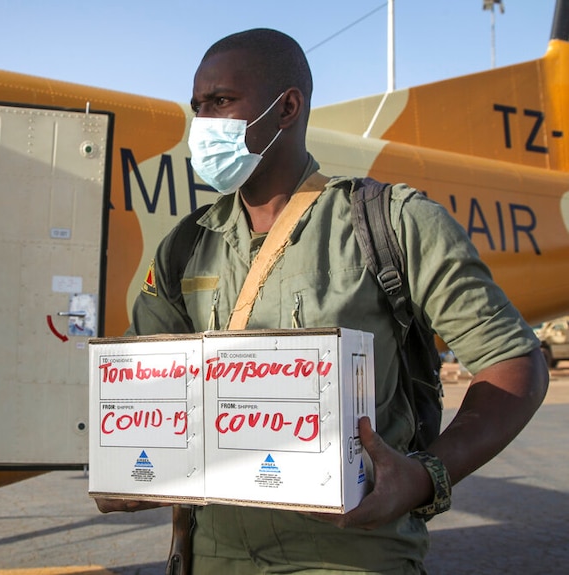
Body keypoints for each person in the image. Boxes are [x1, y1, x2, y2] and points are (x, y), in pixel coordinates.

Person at [95, 29, 549, 574]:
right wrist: (124, 463)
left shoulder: (392, 223)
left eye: (221, 102)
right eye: (197, 107)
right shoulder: (186, 247)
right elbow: (146, 381)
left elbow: (514, 362)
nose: (203, 125)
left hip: (351, 557)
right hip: (214, 557)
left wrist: (427, 476)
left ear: (286, 107)